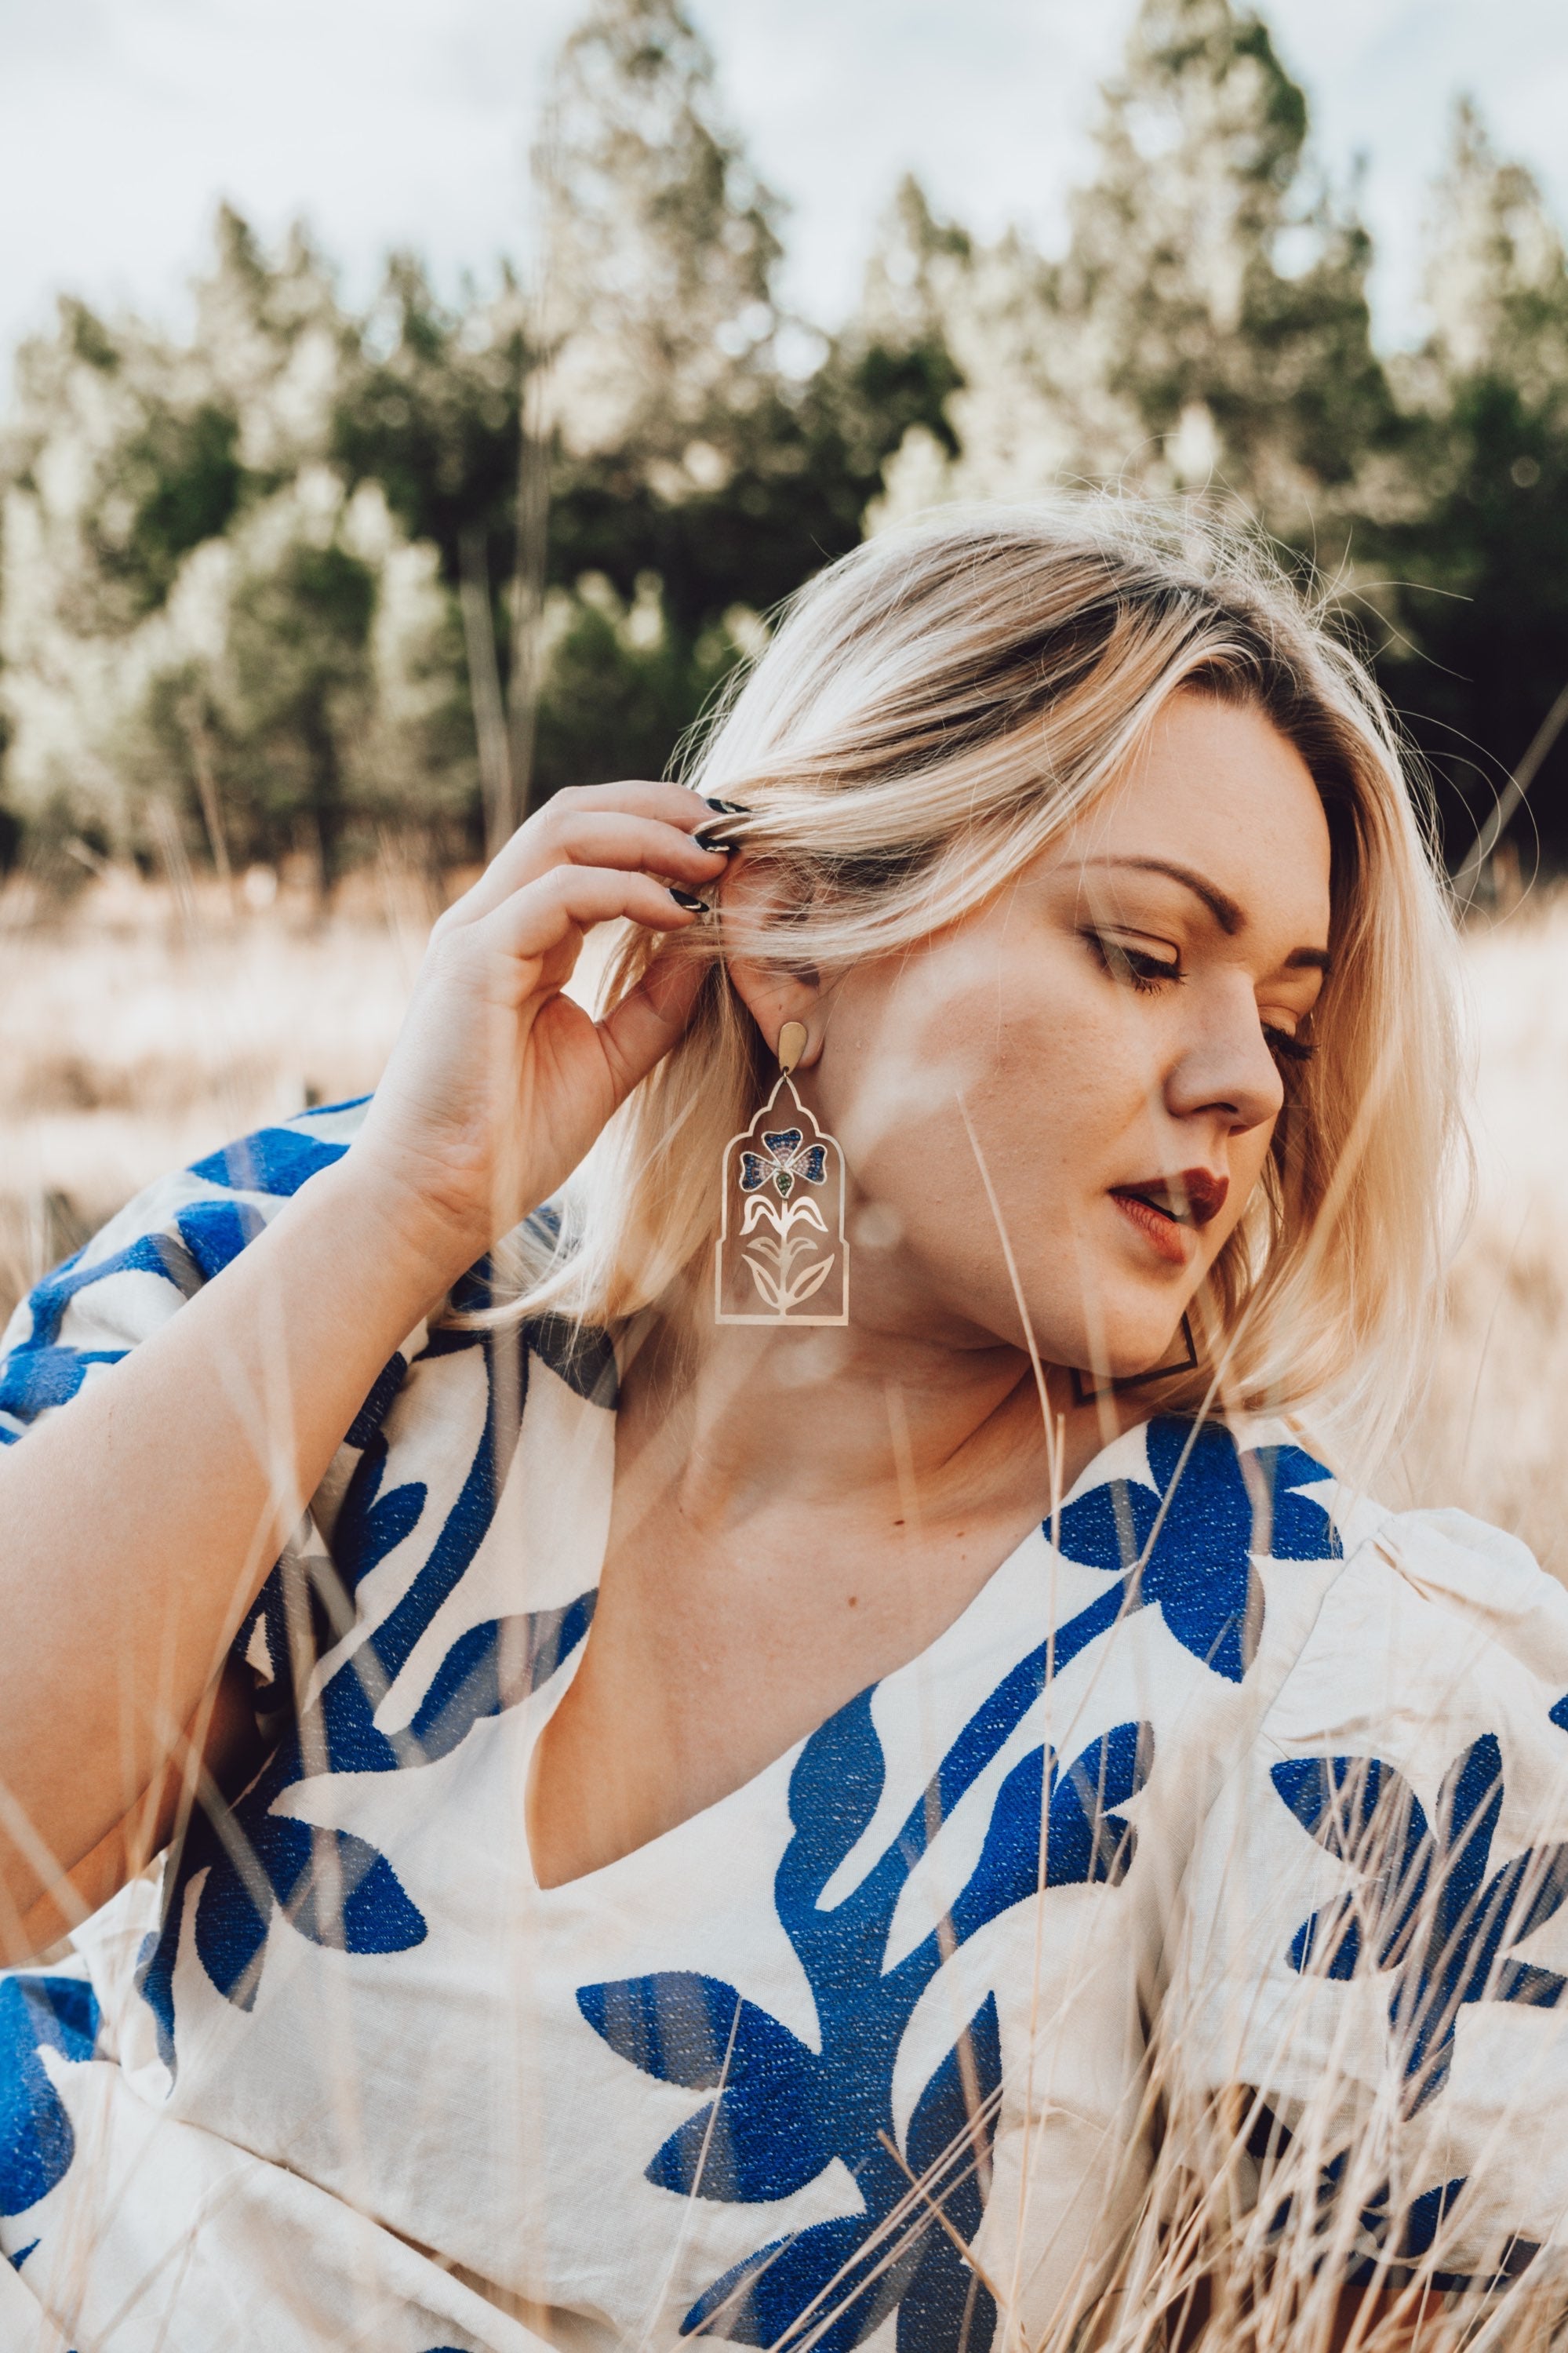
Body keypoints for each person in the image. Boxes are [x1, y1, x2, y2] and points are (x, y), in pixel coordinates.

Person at [2, 501, 1566, 2353]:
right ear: (798, 942)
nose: (1241, 1082)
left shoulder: (1348, 1683)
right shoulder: (359, 1327)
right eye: (1146, 956)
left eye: (1292, 1024)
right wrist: (415, 1197)